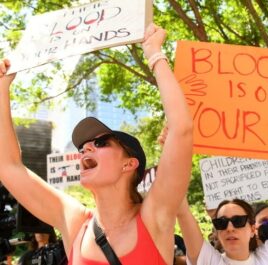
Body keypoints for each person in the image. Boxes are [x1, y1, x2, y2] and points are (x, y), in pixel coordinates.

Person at [0, 22, 193, 264]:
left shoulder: (154, 216)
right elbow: (8, 167)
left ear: (129, 164)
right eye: (83, 148)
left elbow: (182, 130)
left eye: (101, 143)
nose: (86, 149)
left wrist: (155, 54)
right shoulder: (75, 222)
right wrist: (2, 87)